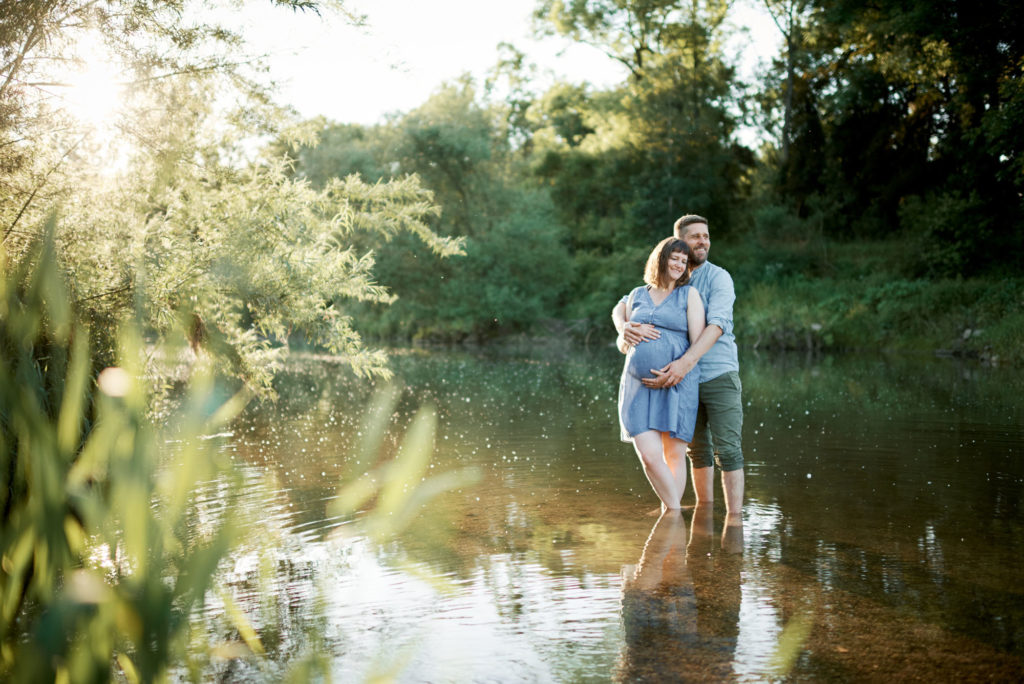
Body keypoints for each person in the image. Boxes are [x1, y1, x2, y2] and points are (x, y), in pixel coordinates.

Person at [613, 214, 744, 520]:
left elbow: (717, 325)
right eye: (695, 236)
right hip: (669, 381)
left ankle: (734, 523)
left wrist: (683, 365)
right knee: (695, 452)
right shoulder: (661, 279)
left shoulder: (717, 278)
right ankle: (700, 517)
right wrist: (623, 330)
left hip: (714, 373)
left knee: (727, 450)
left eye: (706, 236)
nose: (703, 242)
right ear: (678, 243)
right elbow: (623, 304)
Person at [617, 237, 706, 512]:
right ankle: (675, 512)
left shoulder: (688, 295)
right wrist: (625, 332)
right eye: (674, 258)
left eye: (683, 261)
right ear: (660, 259)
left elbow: (698, 342)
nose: (679, 265)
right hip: (637, 385)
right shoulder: (637, 295)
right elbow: (623, 345)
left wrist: (678, 369)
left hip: (676, 382)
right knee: (649, 456)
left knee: (674, 455)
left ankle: (671, 516)